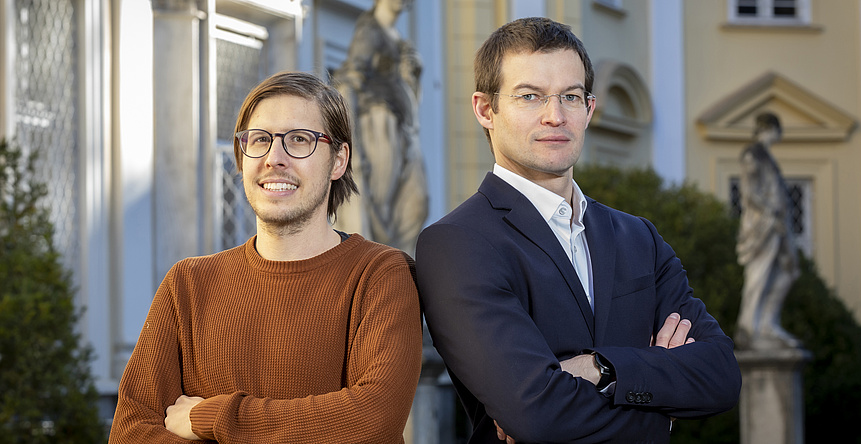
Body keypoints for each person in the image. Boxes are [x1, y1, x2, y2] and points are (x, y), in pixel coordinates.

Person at [415, 17, 741, 443]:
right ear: (485, 109)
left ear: (589, 109)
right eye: (530, 96)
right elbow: (536, 414)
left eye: (570, 96)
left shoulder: (638, 237)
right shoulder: (457, 244)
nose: (555, 116)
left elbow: (720, 375)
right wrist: (659, 409)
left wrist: (599, 367)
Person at [109, 71, 422, 443]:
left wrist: (210, 417)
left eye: (300, 140)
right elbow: (131, 432)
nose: (275, 158)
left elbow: (372, 419)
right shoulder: (188, 284)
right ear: (242, 157)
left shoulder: (380, 275)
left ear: (339, 160)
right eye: (259, 140)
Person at [334, 0, 428, 254]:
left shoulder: (398, 40)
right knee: (381, 208)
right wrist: (352, 144)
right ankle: (380, 266)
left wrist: (412, 76)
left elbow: (409, 97)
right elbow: (349, 83)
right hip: (379, 127)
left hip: (403, 130)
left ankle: (398, 265)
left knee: (415, 205)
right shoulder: (370, 31)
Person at [735, 112, 801, 350]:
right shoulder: (753, 154)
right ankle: (748, 327)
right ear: (770, 128)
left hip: (778, 226)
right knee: (759, 274)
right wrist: (771, 210)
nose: (779, 135)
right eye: (777, 129)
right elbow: (750, 193)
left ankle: (767, 324)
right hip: (763, 226)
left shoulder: (767, 157)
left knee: (788, 271)